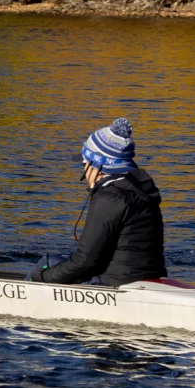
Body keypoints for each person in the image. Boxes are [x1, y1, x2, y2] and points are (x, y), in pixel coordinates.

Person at [33, 118, 166, 285]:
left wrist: (41, 277)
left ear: (98, 166)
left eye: (84, 164)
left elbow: (84, 261)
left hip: (115, 284)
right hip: (148, 277)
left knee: (48, 262)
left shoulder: (110, 198)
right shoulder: (140, 190)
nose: (83, 169)